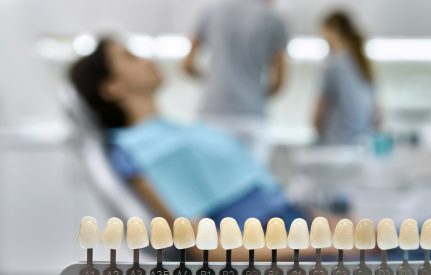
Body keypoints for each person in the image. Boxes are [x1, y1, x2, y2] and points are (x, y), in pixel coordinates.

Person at [69, 38, 336, 261]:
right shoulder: (138, 148)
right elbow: (206, 246)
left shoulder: (181, 131)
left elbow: (277, 202)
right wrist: (324, 247)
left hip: (299, 228)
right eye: (129, 56)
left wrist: (346, 232)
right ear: (111, 88)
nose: (146, 58)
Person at [182, 0, 288, 163]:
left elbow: (187, 65)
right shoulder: (274, 21)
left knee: (212, 181)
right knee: (252, 183)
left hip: (212, 114)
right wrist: (255, 94)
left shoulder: (210, 12)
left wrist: (212, 80)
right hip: (251, 118)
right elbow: (279, 81)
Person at [314, 12, 381, 145]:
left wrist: (318, 136)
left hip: (336, 145)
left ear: (332, 30)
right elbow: (377, 116)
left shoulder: (333, 64)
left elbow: (318, 113)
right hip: (361, 145)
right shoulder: (363, 63)